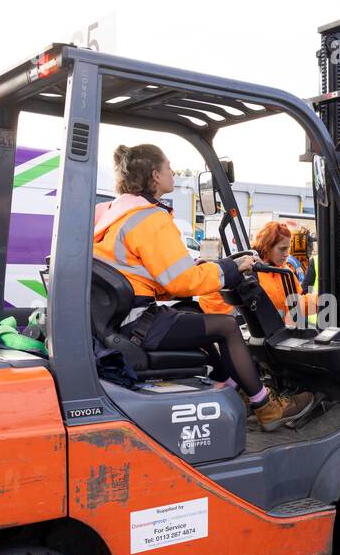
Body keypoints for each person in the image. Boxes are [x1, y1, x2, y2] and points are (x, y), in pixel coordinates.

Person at [94, 144, 315, 430]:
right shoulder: (150, 218)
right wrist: (231, 268)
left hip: (120, 321)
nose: (172, 172)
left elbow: (149, 276)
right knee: (226, 327)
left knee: (193, 310)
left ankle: (234, 388)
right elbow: (183, 281)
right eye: (168, 167)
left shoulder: (115, 216)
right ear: (155, 176)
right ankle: (266, 405)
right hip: (136, 324)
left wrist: (209, 267)